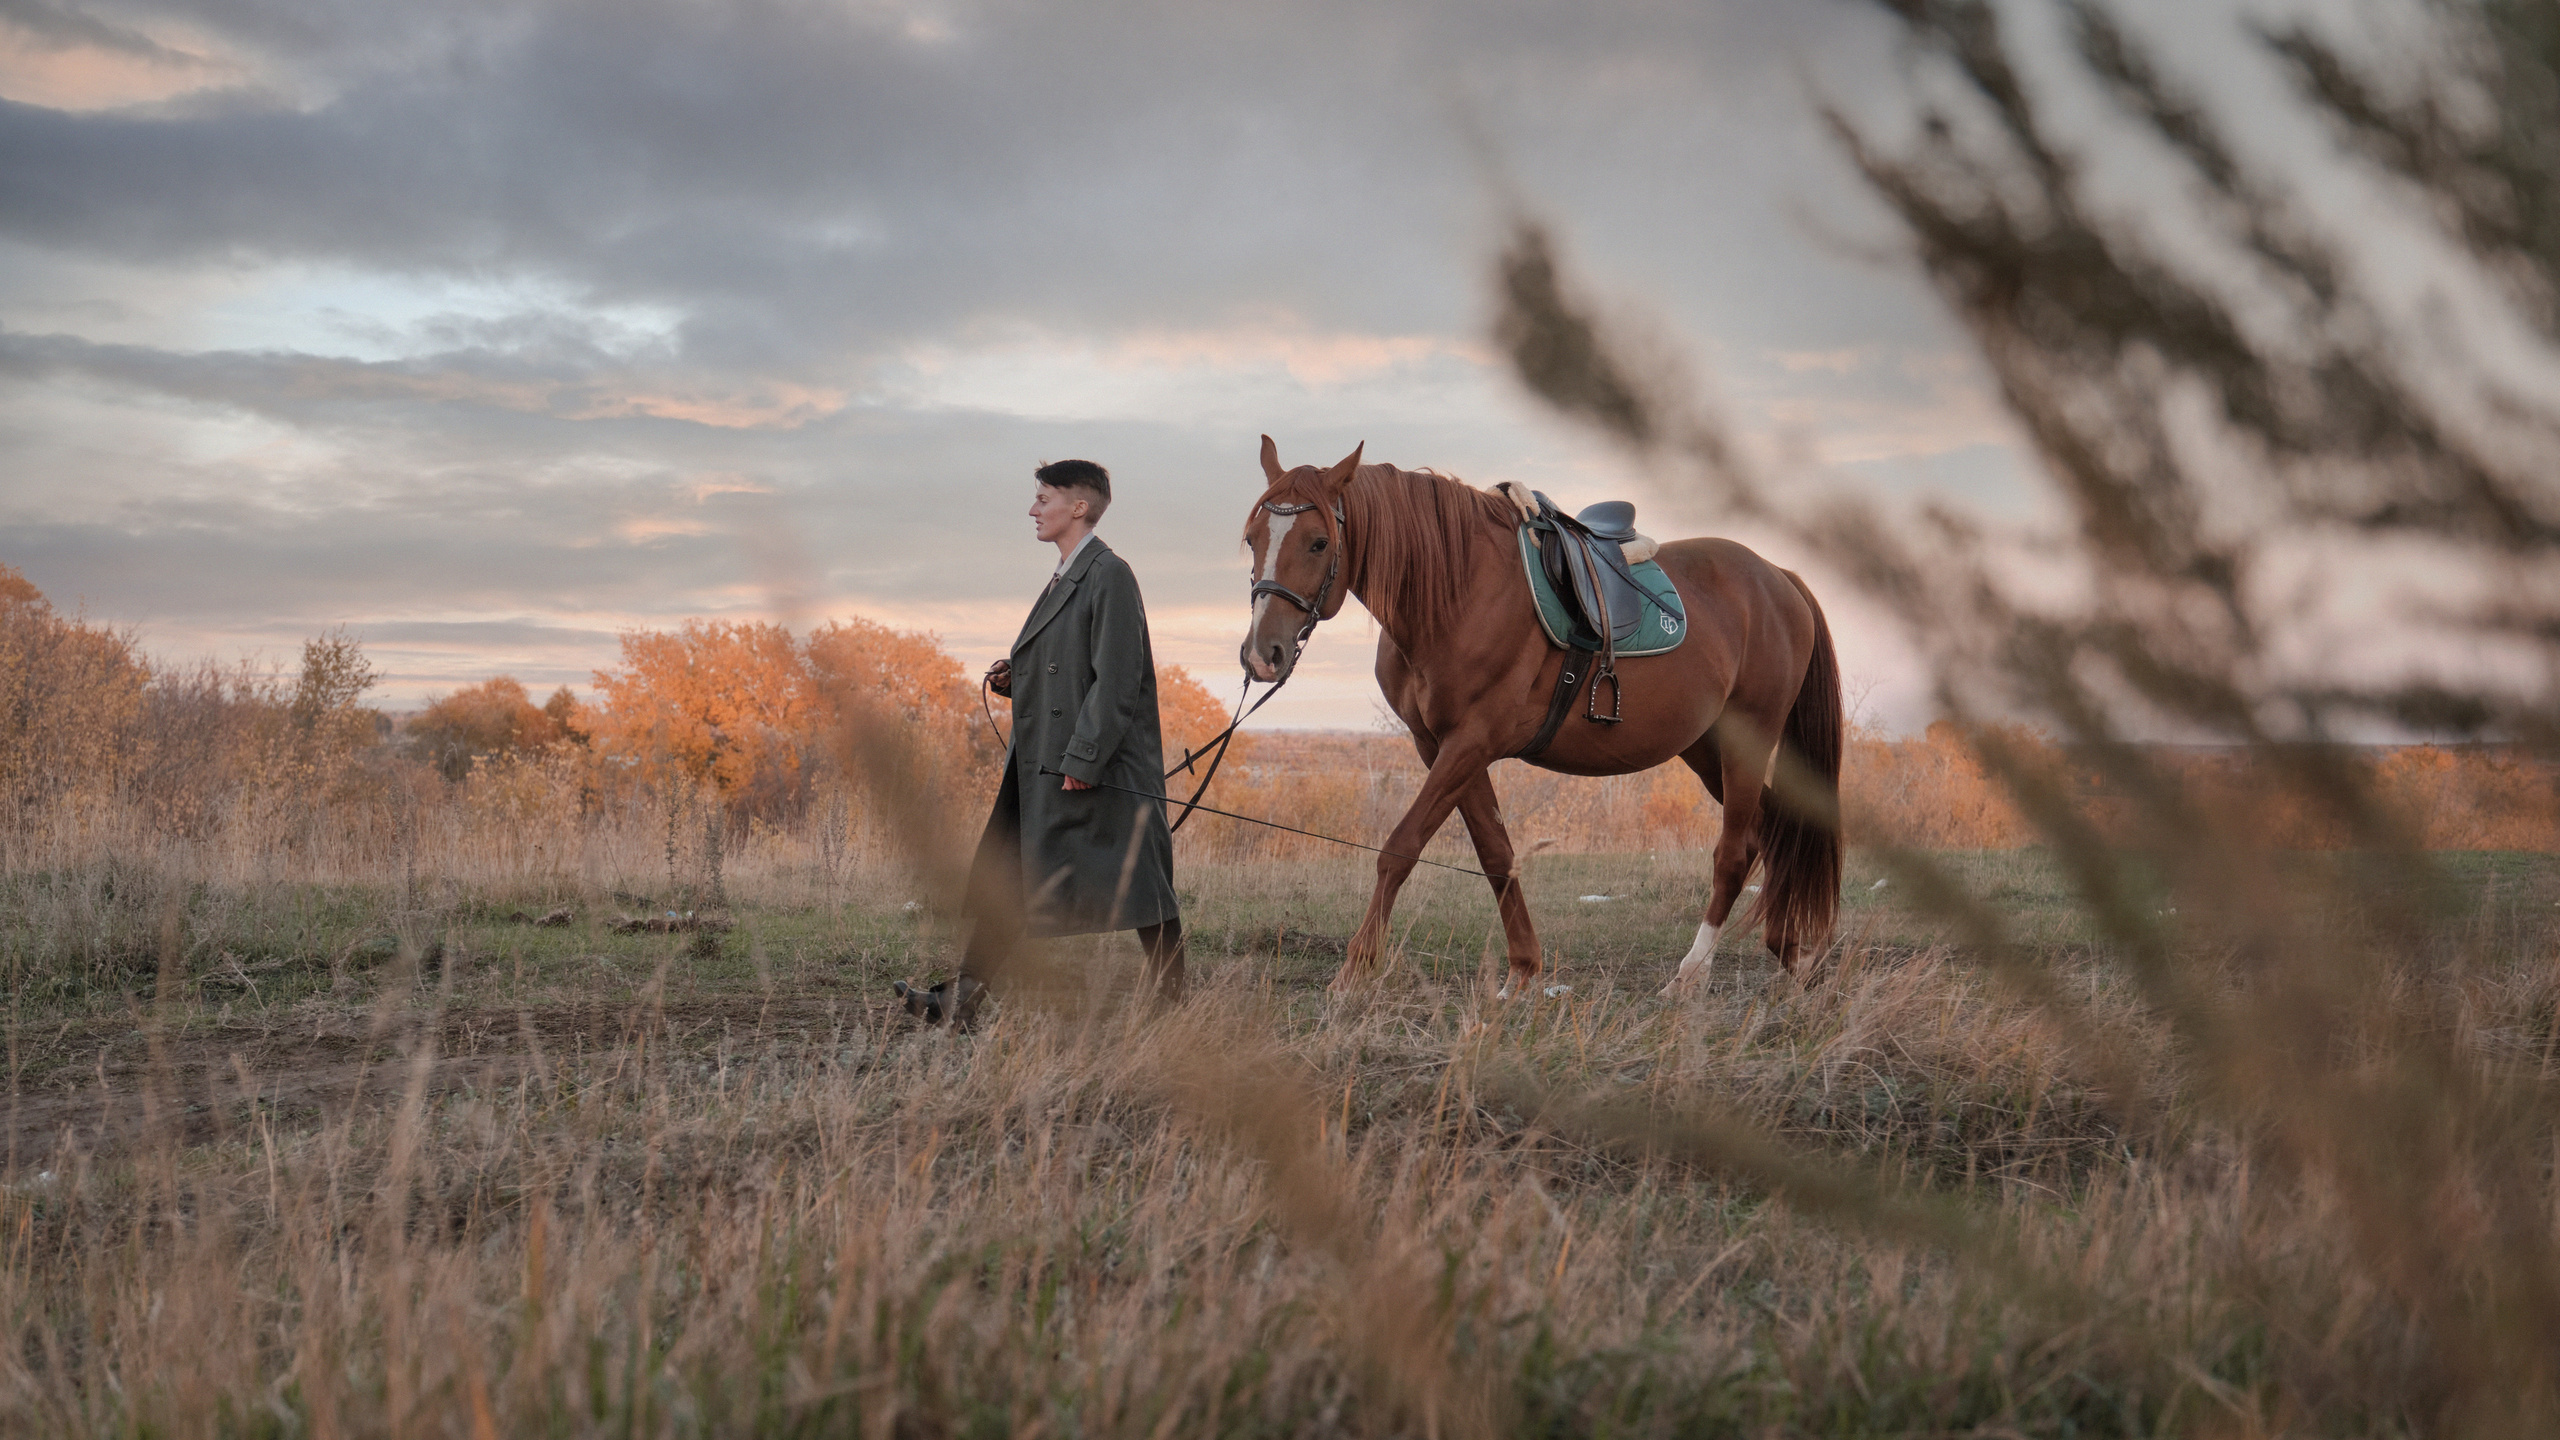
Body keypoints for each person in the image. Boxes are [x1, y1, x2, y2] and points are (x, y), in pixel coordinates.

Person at [897, 459, 1185, 1026]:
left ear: (1078, 507)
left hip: (1096, 763)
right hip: (1045, 759)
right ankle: (960, 999)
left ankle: (1174, 1000)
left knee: (1143, 881)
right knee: (1014, 873)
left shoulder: (1110, 574)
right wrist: (1018, 678)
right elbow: (1068, 668)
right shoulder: (1067, 573)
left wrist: (1085, 756)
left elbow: (1118, 679)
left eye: (1044, 498)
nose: (1033, 509)